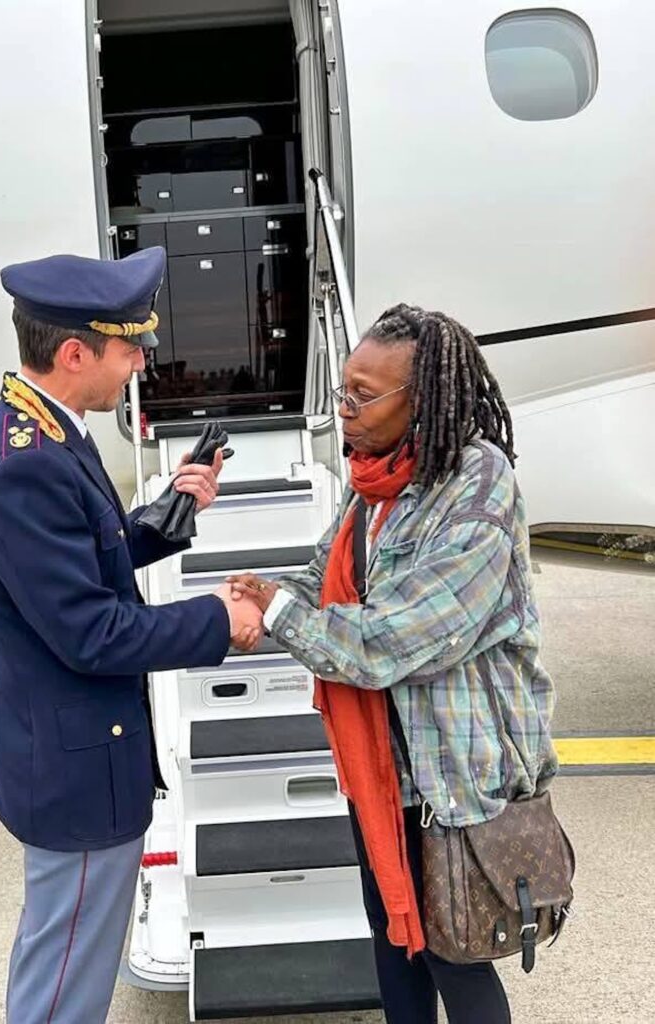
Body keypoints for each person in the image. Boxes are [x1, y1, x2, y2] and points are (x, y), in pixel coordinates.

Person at [0, 248, 261, 1024]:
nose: (141, 361)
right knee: (64, 987)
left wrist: (172, 512)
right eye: (129, 347)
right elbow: (89, 633)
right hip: (77, 769)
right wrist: (217, 619)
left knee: (61, 957)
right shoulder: (23, 466)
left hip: (71, 750)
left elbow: (83, 559)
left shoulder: (46, 429)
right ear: (75, 352)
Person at [228, 303, 559, 1024]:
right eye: (341, 391)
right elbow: (327, 573)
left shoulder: (476, 485)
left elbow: (399, 638)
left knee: (453, 951)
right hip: (380, 762)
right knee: (393, 937)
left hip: (451, 770)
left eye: (360, 395)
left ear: (423, 397)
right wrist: (261, 599)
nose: (342, 411)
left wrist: (281, 616)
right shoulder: (374, 481)